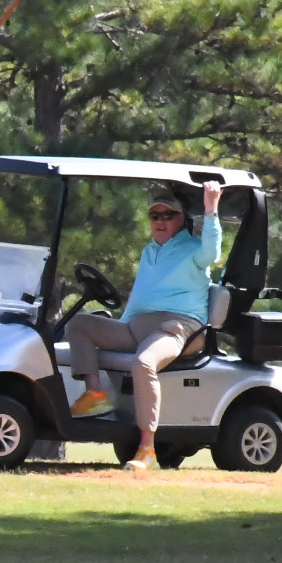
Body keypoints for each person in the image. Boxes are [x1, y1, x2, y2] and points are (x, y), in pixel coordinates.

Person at [65, 179, 225, 470]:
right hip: (138, 326)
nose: (160, 221)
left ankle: (147, 450)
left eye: (168, 215)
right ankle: (96, 393)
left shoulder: (193, 249)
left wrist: (211, 209)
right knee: (78, 325)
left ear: (181, 219)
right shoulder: (149, 251)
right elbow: (141, 296)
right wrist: (123, 326)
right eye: (155, 215)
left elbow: (212, 253)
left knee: (143, 364)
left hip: (177, 328)